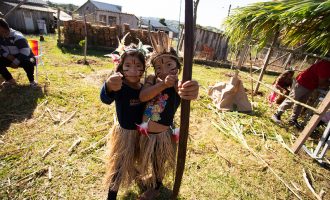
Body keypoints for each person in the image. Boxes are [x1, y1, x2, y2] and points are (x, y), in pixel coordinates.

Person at [137, 36, 199, 199]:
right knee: (147, 157)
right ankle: (150, 178)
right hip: (145, 132)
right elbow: (143, 96)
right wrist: (162, 84)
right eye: (158, 66)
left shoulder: (178, 84)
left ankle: (156, 187)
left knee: (158, 161)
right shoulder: (152, 80)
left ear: (177, 68)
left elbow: (185, 90)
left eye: (169, 65)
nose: (163, 70)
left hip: (161, 135)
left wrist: (192, 88)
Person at [100, 39, 148, 200]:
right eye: (128, 66)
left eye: (138, 66)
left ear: (144, 68)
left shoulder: (144, 88)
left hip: (140, 133)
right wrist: (107, 85)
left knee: (138, 157)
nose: (133, 71)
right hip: (124, 135)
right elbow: (105, 99)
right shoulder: (119, 85)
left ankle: (138, 175)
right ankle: (111, 195)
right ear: (120, 67)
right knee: (119, 166)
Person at [272, 60, 330, 129]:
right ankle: (277, 114)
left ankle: (293, 119)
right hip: (303, 82)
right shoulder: (326, 65)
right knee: (292, 99)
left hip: (311, 85)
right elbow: (322, 82)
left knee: (301, 103)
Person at [0, 18, 37, 87]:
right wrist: (7, 56)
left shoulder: (17, 36)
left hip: (27, 57)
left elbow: (25, 51)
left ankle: (32, 81)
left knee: (29, 61)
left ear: (2, 28)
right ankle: (10, 80)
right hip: (11, 58)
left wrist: (15, 62)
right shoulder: (1, 37)